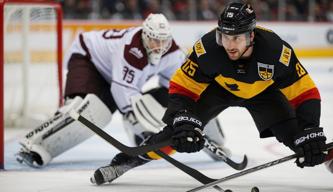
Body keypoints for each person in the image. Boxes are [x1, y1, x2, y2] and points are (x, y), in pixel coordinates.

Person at [90, 2, 331, 185]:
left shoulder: (276, 51)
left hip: (264, 93)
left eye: (236, 37)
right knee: (176, 134)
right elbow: (181, 87)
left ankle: (331, 159)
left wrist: (309, 128)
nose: (229, 44)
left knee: (304, 141)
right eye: (225, 36)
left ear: (251, 35)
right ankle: (124, 163)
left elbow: (306, 92)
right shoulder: (206, 49)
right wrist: (182, 118)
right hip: (219, 90)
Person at [16, 13, 227, 168]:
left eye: (163, 40)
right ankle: (35, 145)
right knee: (88, 111)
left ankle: (217, 141)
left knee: (181, 95)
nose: (159, 45)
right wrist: (142, 128)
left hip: (116, 77)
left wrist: (191, 118)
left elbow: (181, 89)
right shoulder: (131, 48)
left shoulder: (172, 53)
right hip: (88, 59)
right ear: (145, 35)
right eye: (154, 39)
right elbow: (122, 90)